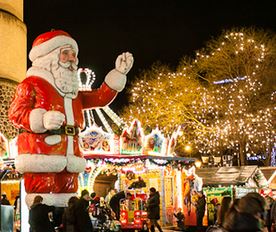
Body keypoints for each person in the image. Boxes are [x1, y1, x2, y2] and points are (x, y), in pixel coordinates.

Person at [8, 29, 134, 207]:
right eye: (65, 53)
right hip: (42, 153)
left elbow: (100, 97)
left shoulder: (73, 92)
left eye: (74, 54)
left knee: (70, 199)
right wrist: (41, 119)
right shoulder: (31, 84)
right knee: (42, 198)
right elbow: (16, 113)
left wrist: (119, 73)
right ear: (49, 56)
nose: (72, 58)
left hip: (71, 154)